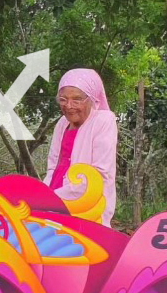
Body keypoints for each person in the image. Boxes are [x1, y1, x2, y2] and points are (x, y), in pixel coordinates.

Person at [44, 68, 118, 227]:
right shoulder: (61, 123)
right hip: (54, 198)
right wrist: (43, 196)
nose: (69, 106)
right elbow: (52, 166)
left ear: (91, 98)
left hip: (87, 204)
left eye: (77, 99)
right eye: (63, 99)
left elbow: (99, 174)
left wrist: (54, 199)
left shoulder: (104, 120)